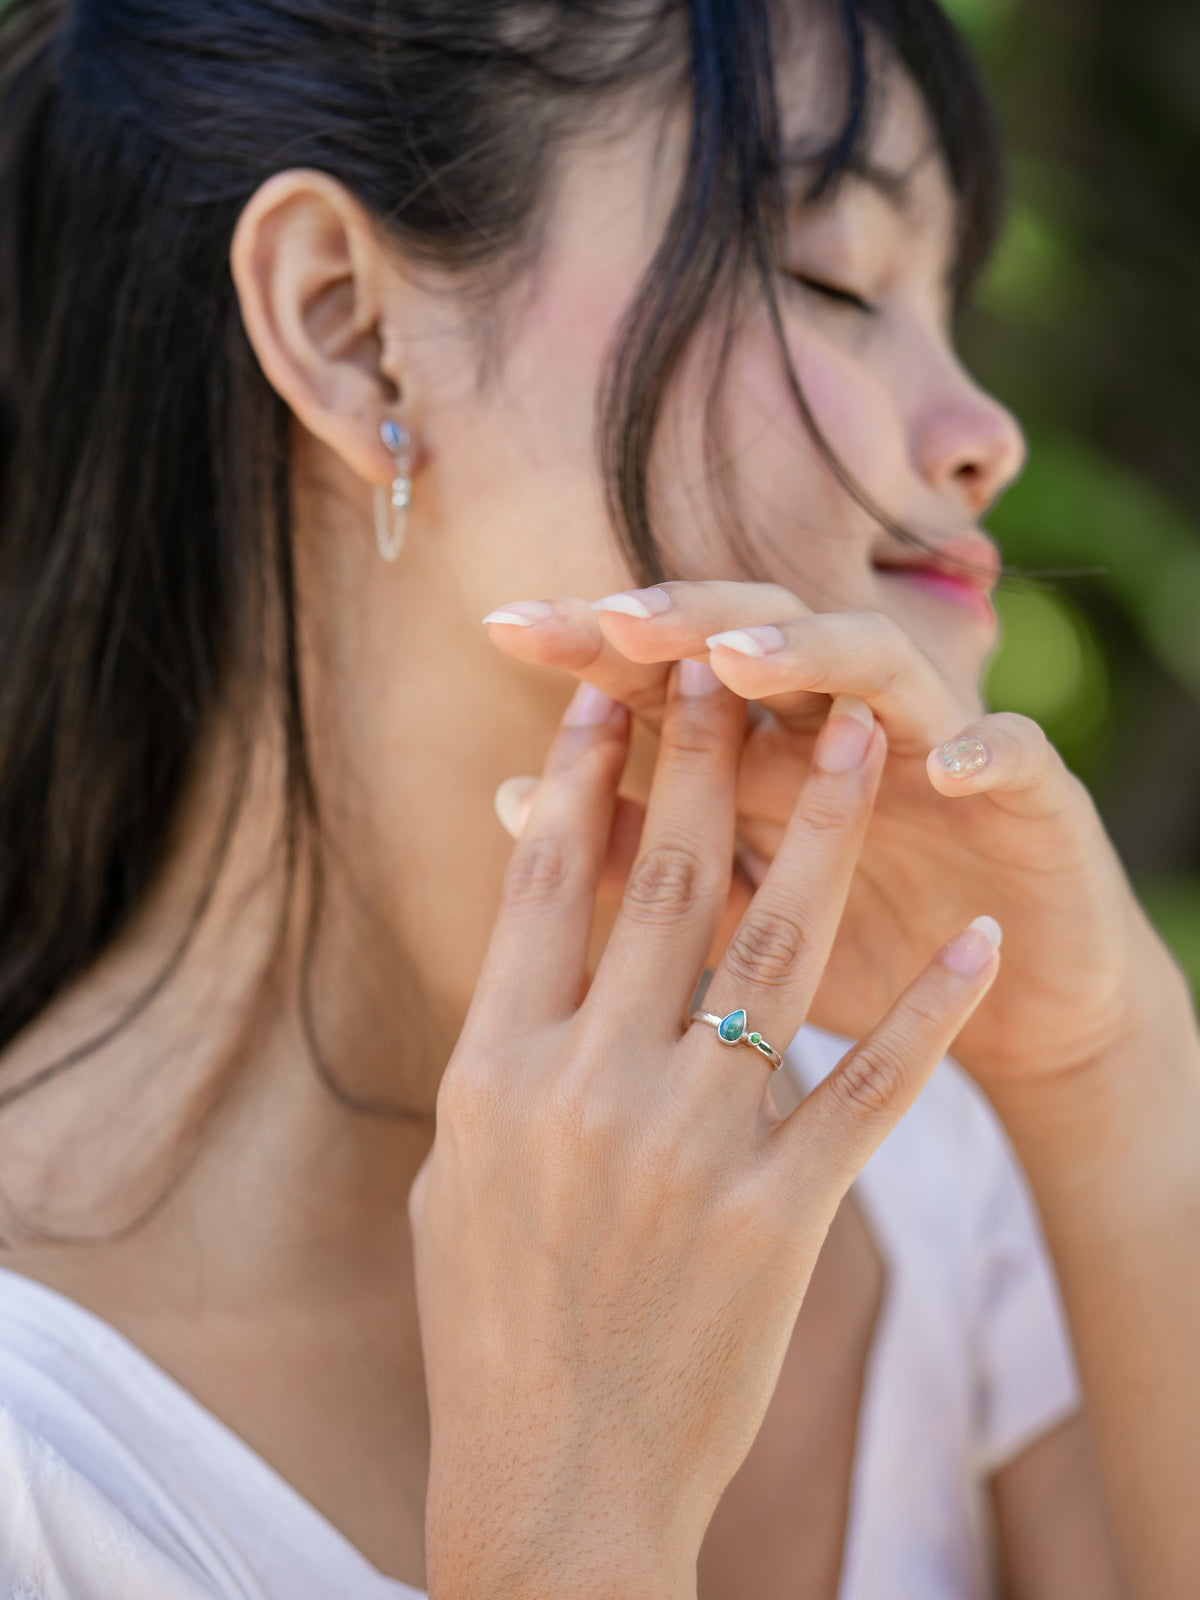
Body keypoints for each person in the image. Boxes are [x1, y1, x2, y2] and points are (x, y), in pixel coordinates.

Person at [0, 0, 1196, 1596]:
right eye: (836, 277)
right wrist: (572, 1515)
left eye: (950, 309)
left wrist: (1109, 1080)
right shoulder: (42, 1463)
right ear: (351, 326)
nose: (985, 436)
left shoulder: (931, 1166)